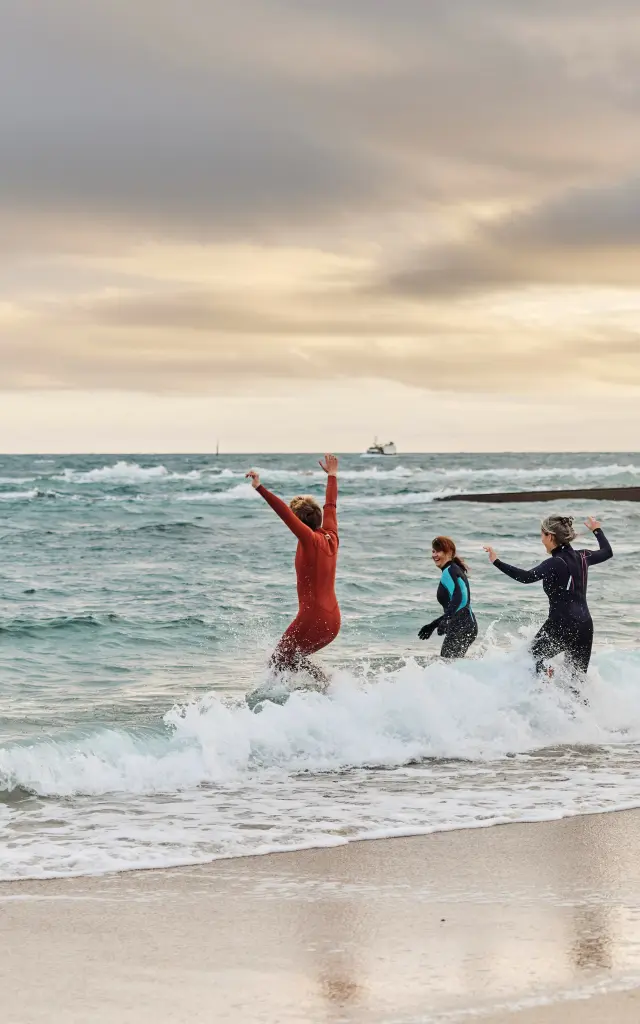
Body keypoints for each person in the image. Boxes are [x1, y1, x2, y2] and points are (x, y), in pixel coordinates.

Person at [245, 455, 340, 679]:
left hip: (313, 618)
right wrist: (332, 476)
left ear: (300, 523)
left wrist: (260, 487)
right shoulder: (331, 535)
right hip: (333, 621)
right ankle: (330, 687)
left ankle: (276, 706)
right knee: (289, 660)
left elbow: (285, 514)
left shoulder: (309, 539)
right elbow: (331, 505)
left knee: (277, 663)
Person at [483, 515, 612, 679]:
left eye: (542, 535)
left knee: (531, 659)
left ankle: (543, 698)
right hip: (585, 626)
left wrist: (496, 561)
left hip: (562, 623)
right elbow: (607, 552)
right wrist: (597, 530)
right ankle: (568, 701)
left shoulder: (555, 562)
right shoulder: (583, 556)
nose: (541, 539)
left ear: (550, 536)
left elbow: (526, 577)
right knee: (576, 683)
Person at [418, 536, 478, 658]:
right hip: (467, 624)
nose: (434, 555)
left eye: (438, 551)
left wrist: (446, 620)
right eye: (433, 551)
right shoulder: (454, 569)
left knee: (445, 665)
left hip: (461, 624)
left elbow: (460, 598)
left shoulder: (449, 571)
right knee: (453, 666)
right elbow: (458, 603)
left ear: (449, 552)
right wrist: (434, 625)